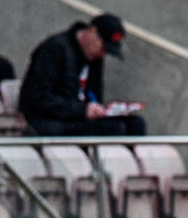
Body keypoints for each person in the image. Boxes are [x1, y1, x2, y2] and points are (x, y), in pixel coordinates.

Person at [18, 13, 147, 137]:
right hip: (51, 122)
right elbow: (35, 97)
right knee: (114, 129)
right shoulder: (55, 49)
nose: (103, 54)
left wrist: (103, 110)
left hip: (77, 119)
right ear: (92, 31)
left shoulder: (95, 58)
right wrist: (81, 110)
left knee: (135, 124)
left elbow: (94, 94)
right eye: (103, 48)